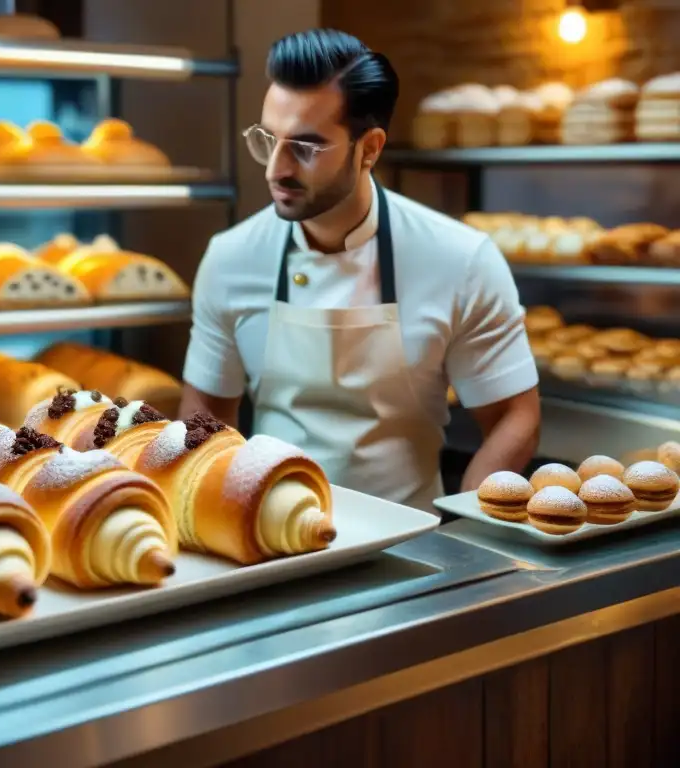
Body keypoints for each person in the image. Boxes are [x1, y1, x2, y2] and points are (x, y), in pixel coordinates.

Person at [178, 28, 540, 512]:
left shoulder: (461, 259)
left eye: (305, 147)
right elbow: (205, 415)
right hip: (272, 543)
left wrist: (468, 525)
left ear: (369, 149)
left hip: (415, 546)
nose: (275, 170)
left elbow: (514, 415)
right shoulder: (231, 258)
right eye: (268, 139)